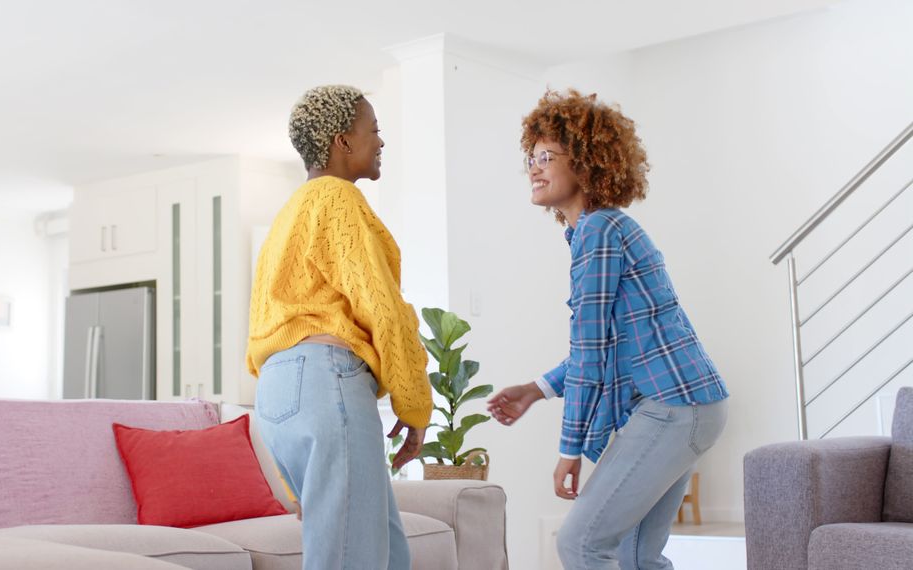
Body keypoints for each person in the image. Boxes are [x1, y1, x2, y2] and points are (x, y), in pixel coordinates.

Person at [488, 90, 730, 570]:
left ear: (585, 163)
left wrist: (568, 450)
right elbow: (601, 345)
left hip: (674, 406)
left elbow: (592, 350)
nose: (534, 169)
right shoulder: (599, 232)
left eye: (546, 157)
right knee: (634, 555)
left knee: (580, 543)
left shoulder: (600, 232)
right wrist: (536, 389)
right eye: (530, 159)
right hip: (688, 405)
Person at [246, 85, 431, 570]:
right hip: (326, 382)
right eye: (374, 130)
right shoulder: (337, 199)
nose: (381, 142)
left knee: (386, 555)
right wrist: (414, 404)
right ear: (342, 142)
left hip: (279, 390)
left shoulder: (288, 215)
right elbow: (382, 307)